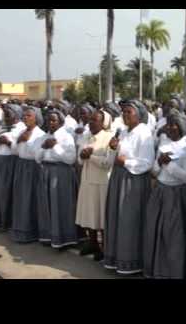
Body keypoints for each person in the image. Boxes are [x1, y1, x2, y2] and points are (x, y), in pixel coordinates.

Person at [104, 100, 155, 275]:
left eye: (129, 112)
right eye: (123, 112)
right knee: (117, 218)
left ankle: (132, 261)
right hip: (118, 179)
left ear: (139, 114)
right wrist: (112, 149)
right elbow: (112, 157)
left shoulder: (144, 133)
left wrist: (125, 161)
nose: (125, 115)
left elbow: (147, 163)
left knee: (129, 220)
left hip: (134, 182)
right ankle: (116, 258)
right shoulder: (123, 132)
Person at [144, 113, 186, 279]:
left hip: (177, 196)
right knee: (156, 230)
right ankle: (156, 268)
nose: (170, 127)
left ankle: (173, 271)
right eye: (169, 124)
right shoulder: (162, 145)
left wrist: (170, 165)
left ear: (181, 128)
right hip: (160, 192)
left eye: (174, 124)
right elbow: (154, 171)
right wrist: (159, 163)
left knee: (173, 235)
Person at [35, 109, 79, 249]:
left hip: (60, 173)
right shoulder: (44, 137)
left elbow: (70, 159)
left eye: (54, 120)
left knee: (60, 205)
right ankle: (49, 236)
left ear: (60, 122)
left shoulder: (66, 136)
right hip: (45, 171)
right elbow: (37, 158)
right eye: (49, 120)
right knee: (47, 205)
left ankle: (65, 238)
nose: (51, 123)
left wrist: (55, 147)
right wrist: (43, 148)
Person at [75, 110, 114, 261]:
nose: (91, 122)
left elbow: (108, 163)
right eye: (90, 119)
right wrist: (83, 156)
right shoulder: (86, 136)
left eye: (95, 120)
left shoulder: (109, 137)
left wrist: (90, 157)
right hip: (86, 180)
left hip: (101, 182)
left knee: (100, 216)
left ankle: (104, 247)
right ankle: (92, 243)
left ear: (103, 123)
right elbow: (79, 160)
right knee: (88, 214)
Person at [10, 107, 46, 243]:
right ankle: (20, 229)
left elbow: (38, 154)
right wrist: (20, 140)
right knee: (20, 198)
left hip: (33, 168)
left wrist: (27, 141)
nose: (26, 118)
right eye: (24, 116)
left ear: (36, 118)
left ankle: (32, 231)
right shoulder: (22, 131)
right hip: (21, 166)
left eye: (29, 116)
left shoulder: (40, 134)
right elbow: (15, 151)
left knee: (30, 198)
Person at [0, 104, 26, 230]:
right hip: (0, 162)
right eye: (5, 114)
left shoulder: (22, 128)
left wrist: (8, 142)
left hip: (12, 163)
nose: (6, 116)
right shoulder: (3, 127)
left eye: (8, 114)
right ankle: (0, 220)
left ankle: (9, 222)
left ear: (16, 114)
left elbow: (21, 149)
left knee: (8, 193)